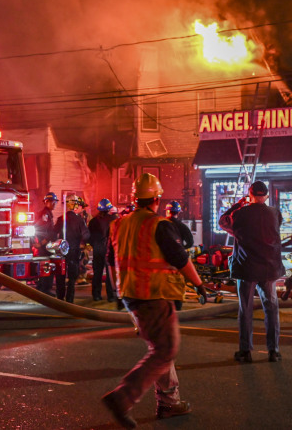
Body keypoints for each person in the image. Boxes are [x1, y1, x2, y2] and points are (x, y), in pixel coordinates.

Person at [102, 173, 208, 428]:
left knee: (160, 347)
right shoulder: (158, 224)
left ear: (134, 198)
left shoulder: (118, 224)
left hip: (130, 295)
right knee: (165, 350)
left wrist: (119, 291)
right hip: (154, 295)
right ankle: (122, 398)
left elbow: (109, 259)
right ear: (157, 198)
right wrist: (199, 285)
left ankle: (169, 402)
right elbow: (179, 258)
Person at [219, 180, 284, 363]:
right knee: (271, 309)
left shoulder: (241, 214)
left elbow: (223, 221)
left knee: (245, 309)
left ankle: (245, 350)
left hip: (247, 267)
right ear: (267, 195)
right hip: (269, 268)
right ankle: (274, 351)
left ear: (250, 194)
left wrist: (239, 204)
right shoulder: (275, 213)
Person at [54, 194, 90, 303]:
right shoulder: (79, 220)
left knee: (60, 275)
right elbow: (86, 235)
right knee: (72, 278)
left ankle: (60, 298)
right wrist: (86, 243)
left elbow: (53, 232)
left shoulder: (61, 219)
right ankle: (70, 300)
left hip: (61, 252)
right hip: (74, 252)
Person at [165, 200, 193, 310]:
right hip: (177, 259)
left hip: (163, 260)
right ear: (178, 212)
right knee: (178, 282)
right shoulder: (182, 226)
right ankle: (177, 305)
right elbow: (190, 242)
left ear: (167, 211)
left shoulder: (161, 224)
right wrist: (181, 249)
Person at [88, 198, 116, 302]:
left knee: (97, 273)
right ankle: (111, 296)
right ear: (109, 209)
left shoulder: (93, 221)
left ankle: (96, 295)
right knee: (109, 274)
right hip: (108, 250)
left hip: (97, 250)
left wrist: (94, 245)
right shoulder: (113, 220)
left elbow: (89, 236)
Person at [33, 192, 59, 296]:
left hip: (46, 245)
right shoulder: (45, 215)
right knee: (47, 265)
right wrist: (41, 243)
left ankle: (42, 287)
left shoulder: (47, 214)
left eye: (55, 202)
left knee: (45, 265)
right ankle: (45, 289)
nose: (54, 204)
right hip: (45, 246)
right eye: (52, 202)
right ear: (46, 202)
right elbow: (46, 231)